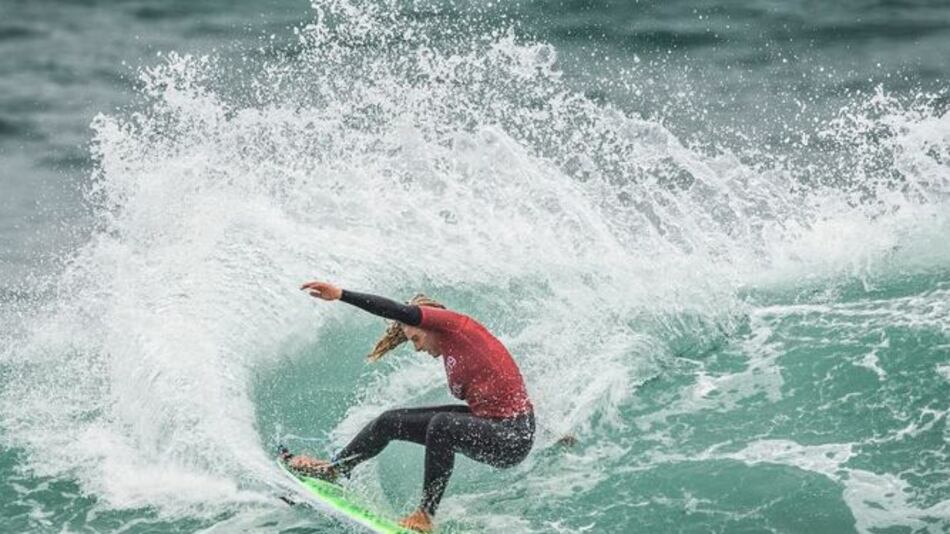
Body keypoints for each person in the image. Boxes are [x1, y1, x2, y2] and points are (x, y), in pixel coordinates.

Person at [287, 281, 535, 533]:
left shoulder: (458, 327)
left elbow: (396, 310)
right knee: (388, 421)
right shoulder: (451, 346)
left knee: (442, 425)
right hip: (492, 424)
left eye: (416, 338)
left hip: (511, 437)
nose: (417, 347)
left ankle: (425, 516)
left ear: (427, 324)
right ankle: (335, 470)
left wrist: (341, 295)